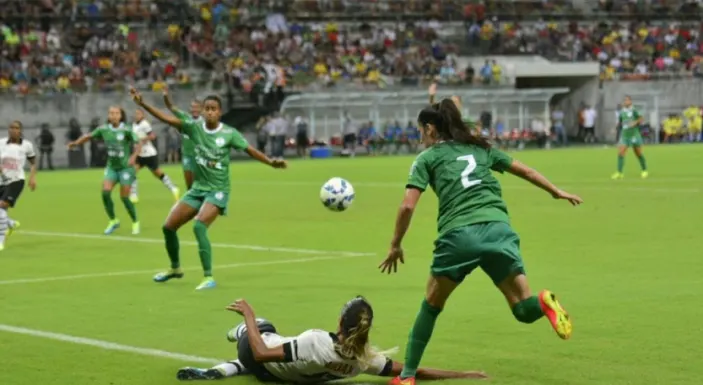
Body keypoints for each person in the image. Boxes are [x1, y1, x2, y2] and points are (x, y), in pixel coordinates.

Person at [378, 99, 582, 385]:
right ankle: (544, 301)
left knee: (431, 306)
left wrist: (395, 244)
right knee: (523, 308)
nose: (420, 137)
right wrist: (555, 191)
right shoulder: (480, 149)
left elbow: (407, 207)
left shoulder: (427, 159)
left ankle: (408, 376)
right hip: (499, 230)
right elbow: (526, 171)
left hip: (459, 236)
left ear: (430, 129)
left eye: (421, 131)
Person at [130, 87, 287, 290]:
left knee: (199, 226)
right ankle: (175, 268)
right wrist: (143, 104)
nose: (210, 112)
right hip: (198, 189)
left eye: (214, 109)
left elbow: (250, 150)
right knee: (168, 227)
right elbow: (168, 118)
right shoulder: (194, 128)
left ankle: (208, 276)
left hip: (218, 190)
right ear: (203, 111)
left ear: (219, 112)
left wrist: (270, 162)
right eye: (207, 108)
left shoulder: (229, 133)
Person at [176, 297, 487, 382]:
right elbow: (411, 371)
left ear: (340, 322)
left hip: (258, 355)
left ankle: (237, 340)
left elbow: (259, 352)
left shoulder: (315, 341)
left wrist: (247, 315)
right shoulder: (365, 361)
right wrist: (462, 374)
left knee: (260, 327)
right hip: (280, 378)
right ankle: (226, 369)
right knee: (258, 360)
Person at [67, 107, 142, 235]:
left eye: (116, 113)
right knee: (105, 193)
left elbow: (138, 143)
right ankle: (113, 220)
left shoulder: (127, 130)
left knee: (124, 197)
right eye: (111, 113)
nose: (113, 116)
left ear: (121, 116)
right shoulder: (103, 129)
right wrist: (76, 143)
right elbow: (88, 136)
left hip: (125, 168)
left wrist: (134, 156)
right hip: (112, 167)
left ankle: (135, 222)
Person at [129, 109, 180, 203]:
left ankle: (173, 188)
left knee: (158, 173)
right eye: (136, 113)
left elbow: (152, 136)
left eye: (139, 113)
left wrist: (142, 139)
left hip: (149, 154)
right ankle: (133, 194)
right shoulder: (134, 125)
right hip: (139, 154)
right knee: (131, 172)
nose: (137, 115)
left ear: (143, 115)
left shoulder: (145, 124)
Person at [0, 121, 37, 250]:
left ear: (20, 131)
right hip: (2, 181)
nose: (13, 130)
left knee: (2, 205)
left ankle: (1, 241)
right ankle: (10, 223)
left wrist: (32, 178)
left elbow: (33, 162)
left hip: (16, 180)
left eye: (16, 128)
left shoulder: (27, 145)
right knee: (1, 211)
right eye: (11, 127)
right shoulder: (1, 143)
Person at [162, 86, 202, 190]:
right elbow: (171, 107)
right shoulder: (185, 117)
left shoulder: (205, 122)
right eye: (192, 107)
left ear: (201, 109)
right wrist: (166, 96)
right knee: (189, 186)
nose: (194, 109)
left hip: (200, 156)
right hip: (187, 156)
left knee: (198, 186)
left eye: (197, 107)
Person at [611, 95, 647, 179]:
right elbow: (620, 121)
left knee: (638, 153)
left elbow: (641, 119)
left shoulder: (634, 110)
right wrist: (615, 129)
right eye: (624, 100)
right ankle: (619, 172)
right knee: (620, 152)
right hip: (625, 135)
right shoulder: (622, 112)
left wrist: (635, 122)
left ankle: (644, 170)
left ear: (630, 101)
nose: (625, 102)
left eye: (627, 100)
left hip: (634, 135)